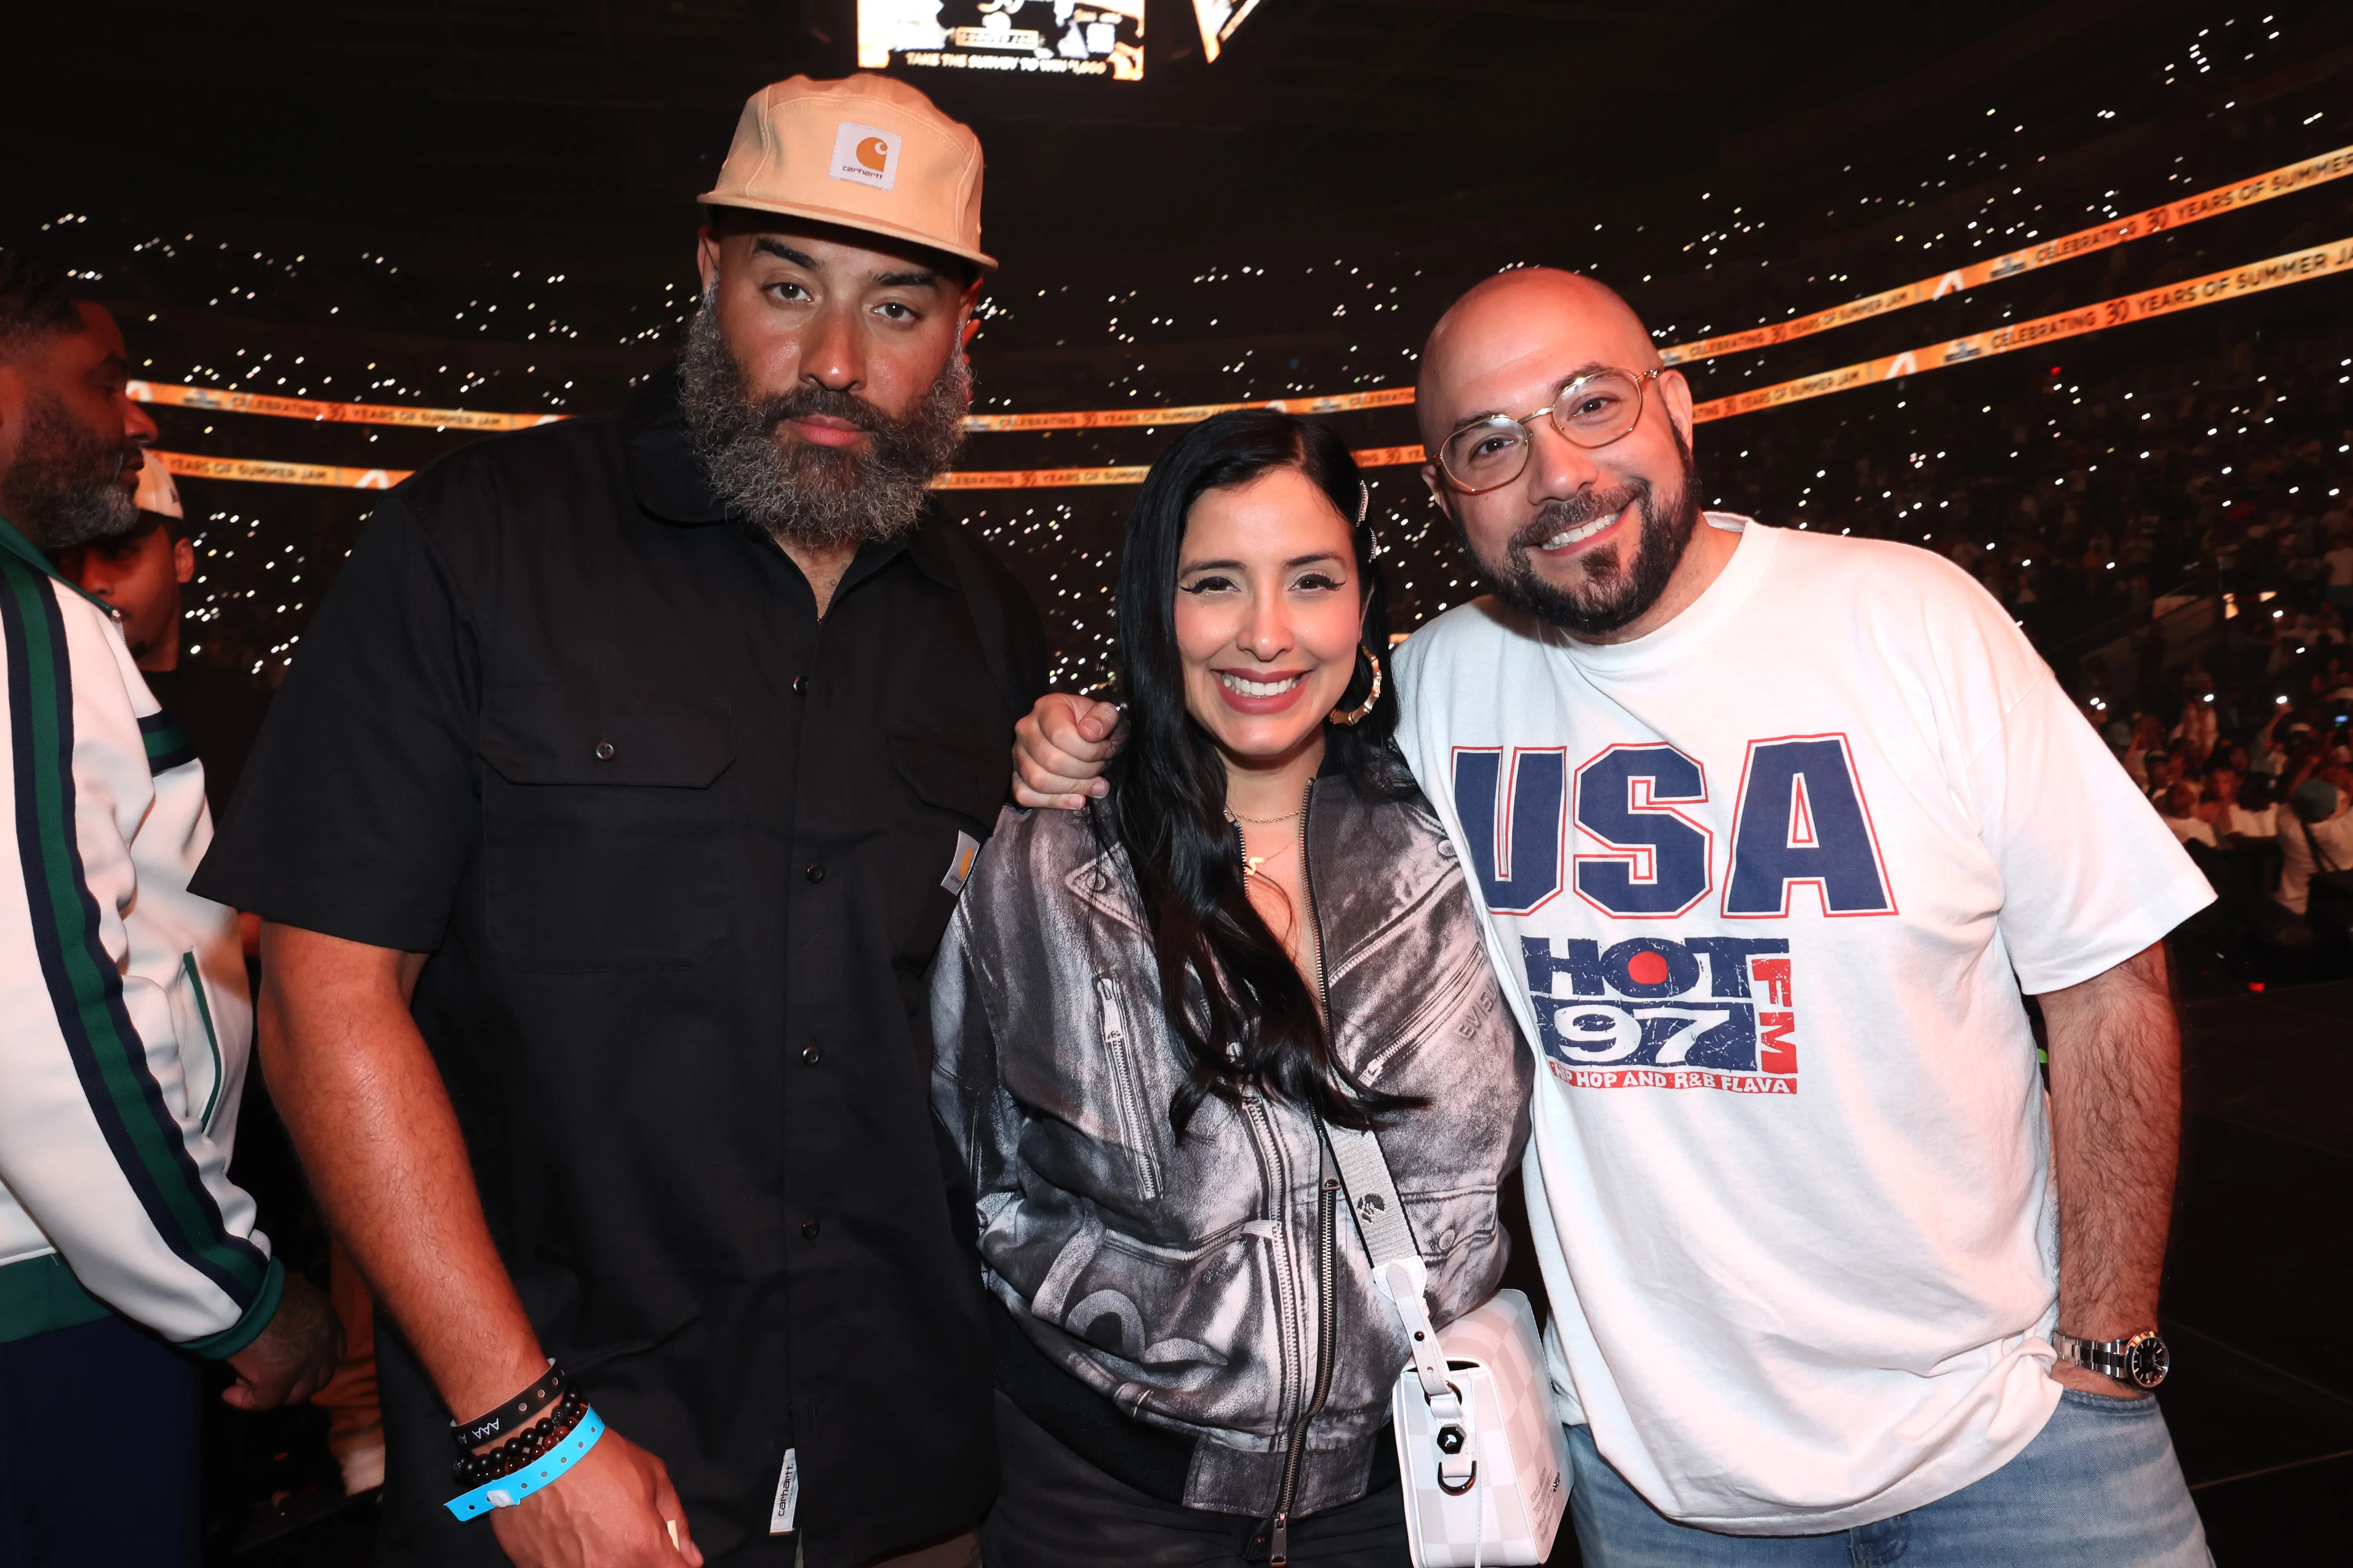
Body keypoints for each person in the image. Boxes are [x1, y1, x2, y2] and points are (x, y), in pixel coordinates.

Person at [1015, 268, 2216, 1564]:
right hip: (1663, 1486)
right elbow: (1250, 714)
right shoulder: (1431, 693)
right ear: (1450, 492)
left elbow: (2107, 981)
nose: (1561, 469)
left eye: (1592, 402)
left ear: (1680, 408)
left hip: (2022, 1437)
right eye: (1492, 442)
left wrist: (2106, 1347)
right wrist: (1088, 742)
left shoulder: (1913, 617)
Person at [192, 75, 1042, 1568]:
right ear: (707, 270)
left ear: (966, 327)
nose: (835, 362)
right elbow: (326, 991)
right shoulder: (477, 542)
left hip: (909, 1467)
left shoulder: (991, 624)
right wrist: (524, 1426)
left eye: (898, 309)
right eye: (789, 288)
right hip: (565, 1467)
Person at [933, 412, 1530, 1565]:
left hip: (1407, 1500)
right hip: (1102, 1510)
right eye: (1215, 583)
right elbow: (968, 1165)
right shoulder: (1048, 860)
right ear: (1158, 604)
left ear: (1362, 602)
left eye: (1309, 581)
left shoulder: (1457, 834)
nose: (1264, 635)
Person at [0, 252, 340, 1564]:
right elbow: (43, 1011)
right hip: (58, 1294)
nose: (132, 417)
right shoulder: (24, 617)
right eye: (103, 381)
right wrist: (229, 1283)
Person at [2277, 778, 2353, 918]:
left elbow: (2289, 799)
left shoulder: (2286, 823)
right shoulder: (2345, 828)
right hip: (2336, 908)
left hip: (2293, 907)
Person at [2160, 783, 2216, 848]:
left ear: (2192, 799)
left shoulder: (2203, 828)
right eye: (2171, 793)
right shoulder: (2157, 822)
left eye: (2182, 794)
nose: (2174, 797)